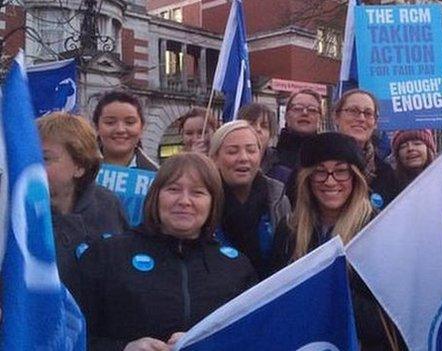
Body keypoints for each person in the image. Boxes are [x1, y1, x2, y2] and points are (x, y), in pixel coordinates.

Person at [77, 153, 256, 351]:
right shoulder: (107, 255)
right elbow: (71, 337)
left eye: (198, 193)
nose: (184, 201)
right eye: (173, 189)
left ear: (213, 202)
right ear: (155, 195)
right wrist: (124, 348)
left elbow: (256, 339)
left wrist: (207, 343)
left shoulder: (236, 268)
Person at [272, 132, 406, 351]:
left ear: (355, 177)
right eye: (320, 172)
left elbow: (391, 319)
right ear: (307, 178)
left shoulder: (378, 231)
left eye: (341, 171)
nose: (330, 181)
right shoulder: (289, 231)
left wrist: (331, 289)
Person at [37, 112, 129, 297]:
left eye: (45, 159)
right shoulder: (13, 209)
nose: (35, 165)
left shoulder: (108, 205)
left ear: (79, 166)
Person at [210, 120, 291, 279]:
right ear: (215, 158)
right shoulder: (203, 201)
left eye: (251, 150)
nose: (243, 158)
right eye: (233, 151)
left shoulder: (278, 200)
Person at [333, 89, 400, 209]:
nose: (361, 118)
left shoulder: (385, 173)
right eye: (353, 111)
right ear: (336, 117)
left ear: (375, 123)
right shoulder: (315, 162)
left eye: (368, 113)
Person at [93, 90, 159, 171]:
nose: (120, 130)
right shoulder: (79, 170)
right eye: (110, 122)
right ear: (96, 127)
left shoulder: (157, 177)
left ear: (142, 127)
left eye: (130, 122)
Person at [268, 89, 322, 184]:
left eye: (312, 110)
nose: (305, 113)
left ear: (320, 118)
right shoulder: (269, 159)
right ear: (286, 115)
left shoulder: (327, 159)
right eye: (297, 108)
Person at [237, 102, 279, 173]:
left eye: (264, 126)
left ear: (271, 134)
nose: (258, 129)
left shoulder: (282, 174)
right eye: (251, 124)